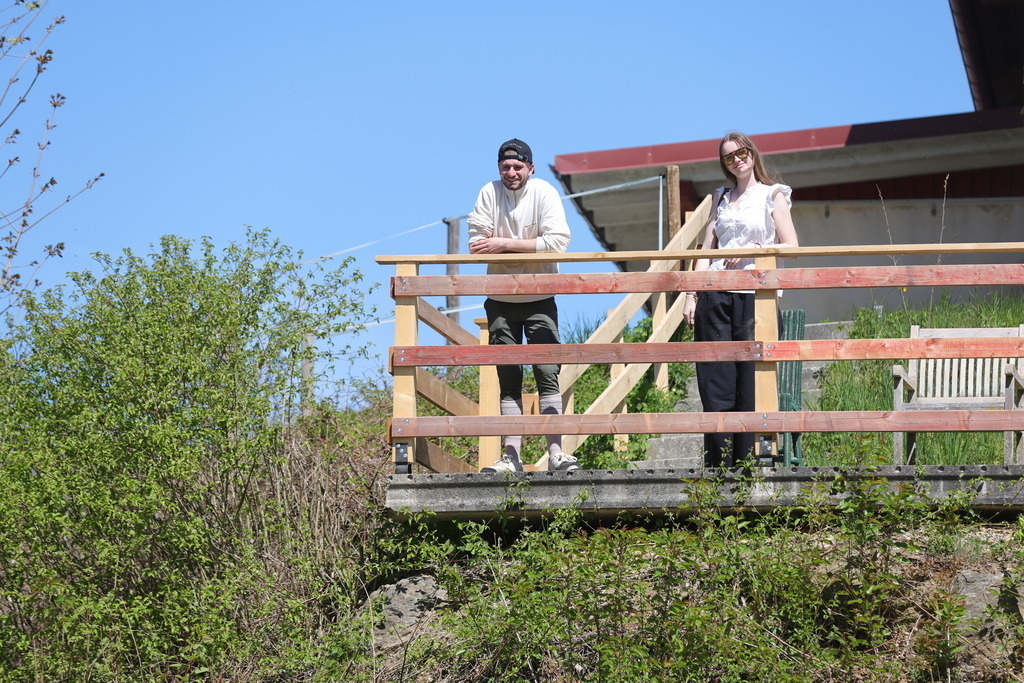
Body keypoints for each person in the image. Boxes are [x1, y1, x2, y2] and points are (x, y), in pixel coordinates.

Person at [682, 132, 799, 468]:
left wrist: (753, 252)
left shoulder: (772, 195)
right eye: (729, 157)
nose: (737, 160)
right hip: (715, 293)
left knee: (751, 382)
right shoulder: (720, 197)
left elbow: (791, 245)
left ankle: (749, 463)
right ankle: (718, 467)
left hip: (754, 296)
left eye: (741, 152)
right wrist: (692, 294)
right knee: (715, 381)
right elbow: (707, 249)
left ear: (752, 153)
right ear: (724, 165)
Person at [467, 138, 579, 473]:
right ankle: (511, 457)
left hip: (540, 295)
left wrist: (502, 243)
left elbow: (558, 242)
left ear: (530, 167)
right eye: (506, 166)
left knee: (547, 374)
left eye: (518, 166)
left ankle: (555, 454)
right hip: (500, 298)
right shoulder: (489, 192)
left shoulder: (544, 192)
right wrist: (530, 245)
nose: (511, 172)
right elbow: (475, 243)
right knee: (508, 378)